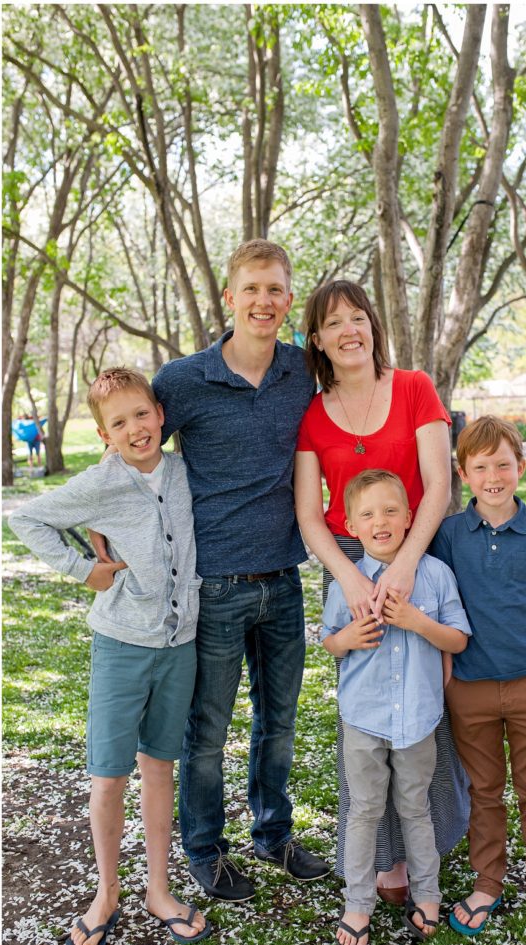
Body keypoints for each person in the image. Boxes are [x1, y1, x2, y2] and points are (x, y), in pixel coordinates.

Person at [9, 368, 209, 945]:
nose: (135, 429)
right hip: (122, 645)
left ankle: (159, 890)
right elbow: (25, 518)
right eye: (119, 422)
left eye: (142, 415)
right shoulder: (101, 483)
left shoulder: (182, 472)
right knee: (109, 775)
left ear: (160, 415)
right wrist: (84, 570)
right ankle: (106, 893)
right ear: (104, 434)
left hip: (180, 647)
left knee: (159, 768)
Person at [151, 239, 329, 901]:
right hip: (215, 587)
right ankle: (204, 849)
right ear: (230, 298)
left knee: (277, 723)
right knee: (209, 729)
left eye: (276, 289)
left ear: (289, 298)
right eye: (251, 288)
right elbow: (136, 451)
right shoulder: (182, 380)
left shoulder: (303, 372)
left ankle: (273, 834)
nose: (264, 301)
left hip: (283, 579)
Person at [294, 280, 470, 904]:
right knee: (368, 713)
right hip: (351, 566)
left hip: (420, 557)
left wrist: (403, 569)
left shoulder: (416, 388)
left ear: (373, 324)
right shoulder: (314, 413)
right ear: (316, 339)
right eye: (333, 322)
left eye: (358, 317)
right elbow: (312, 515)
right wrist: (353, 576)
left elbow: (439, 485)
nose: (349, 330)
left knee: (425, 706)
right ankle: (379, 862)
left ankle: (429, 845)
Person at [430, 415, 526, 941]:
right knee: (484, 792)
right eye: (481, 466)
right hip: (470, 687)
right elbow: (442, 607)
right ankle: (488, 880)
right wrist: (449, 679)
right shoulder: (449, 535)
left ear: (521, 468)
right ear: (463, 473)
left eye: (503, 464)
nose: (493, 475)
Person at [322, 470, 470, 945]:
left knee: (415, 808)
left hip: (419, 719)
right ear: (350, 525)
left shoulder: (435, 575)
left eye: (390, 511)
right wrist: (345, 639)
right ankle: (358, 903)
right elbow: (331, 641)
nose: (380, 522)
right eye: (367, 514)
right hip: (363, 718)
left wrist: (416, 621)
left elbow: (458, 638)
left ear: (410, 517)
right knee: (364, 811)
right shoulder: (348, 583)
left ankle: (427, 894)